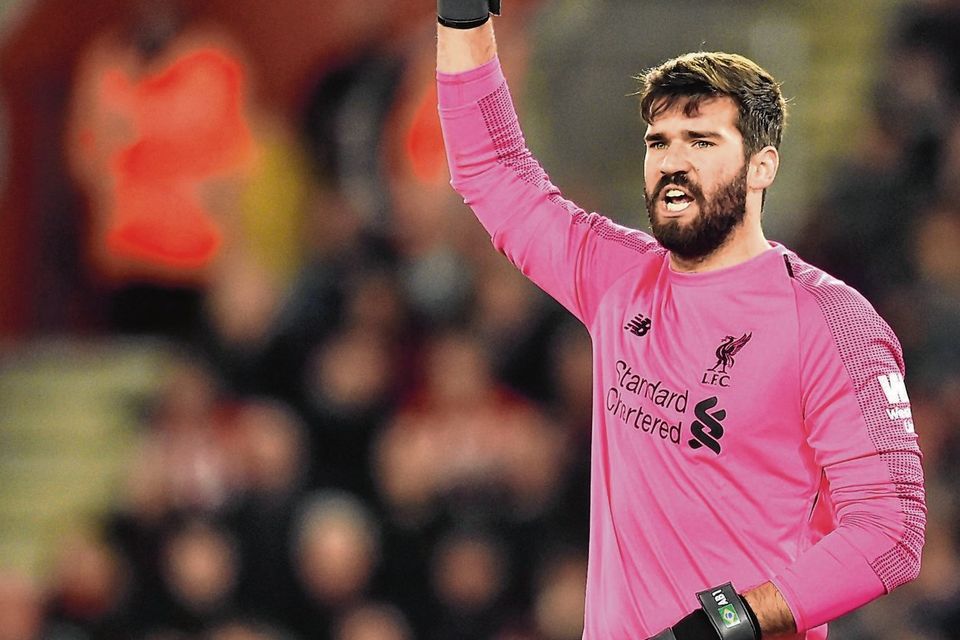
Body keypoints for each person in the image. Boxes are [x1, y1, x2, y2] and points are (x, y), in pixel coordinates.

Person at [434, 3, 926, 639]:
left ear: (762, 166)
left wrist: (731, 621)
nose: (672, 162)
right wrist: (462, 14)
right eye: (659, 142)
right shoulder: (618, 282)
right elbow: (492, 169)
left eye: (701, 142)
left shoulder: (830, 322)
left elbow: (892, 529)